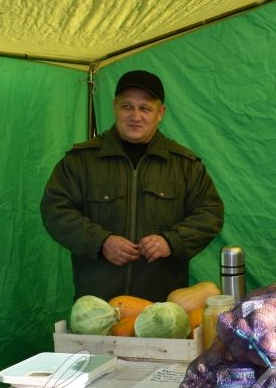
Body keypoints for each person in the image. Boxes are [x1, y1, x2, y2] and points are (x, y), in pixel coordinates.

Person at [41, 69, 224, 303]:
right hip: (97, 306)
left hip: (163, 309)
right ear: (115, 107)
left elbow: (210, 213)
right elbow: (55, 209)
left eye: (145, 108)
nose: (135, 116)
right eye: (127, 106)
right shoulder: (80, 161)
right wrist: (100, 242)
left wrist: (171, 241)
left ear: (160, 113)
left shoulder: (185, 165)